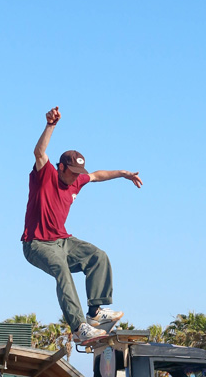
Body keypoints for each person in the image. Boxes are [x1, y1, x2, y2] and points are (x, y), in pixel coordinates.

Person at [21, 106, 142, 344]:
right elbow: (39, 152)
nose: (76, 177)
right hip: (36, 243)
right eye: (72, 172)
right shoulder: (45, 175)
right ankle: (79, 328)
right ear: (61, 167)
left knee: (98, 256)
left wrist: (123, 173)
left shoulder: (77, 181)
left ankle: (95, 312)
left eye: (79, 173)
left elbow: (97, 175)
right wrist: (50, 126)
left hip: (62, 241)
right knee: (62, 270)